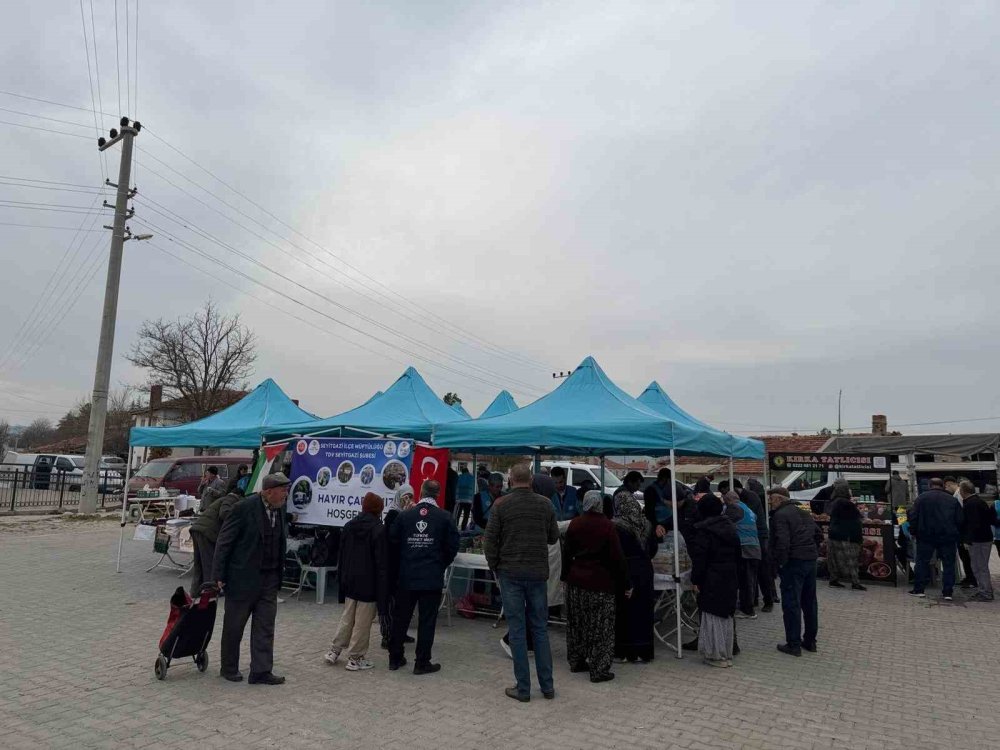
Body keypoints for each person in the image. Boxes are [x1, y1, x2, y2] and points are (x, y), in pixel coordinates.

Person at [484, 463, 560, 701]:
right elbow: (553, 537)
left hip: (510, 574)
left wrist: (495, 566)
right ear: (531, 481)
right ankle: (547, 686)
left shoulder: (501, 505)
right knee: (540, 629)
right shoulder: (545, 504)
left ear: (510, 479)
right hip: (537, 574)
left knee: (517, 630)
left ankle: (523, 688)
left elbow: (489, 541)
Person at [212, 473, 291, 684]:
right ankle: (229, 668)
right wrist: (218, 575)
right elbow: (224, 541)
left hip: (270, 578)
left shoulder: (281, 508)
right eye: (283, 489)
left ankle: (261, 671)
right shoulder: (244, 508)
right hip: (243, 578)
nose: (286, 493)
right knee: (234, 625)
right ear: (268, 491)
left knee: (265, 626)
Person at [387, 480, 459, 674]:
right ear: (438, 494)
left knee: (401, 618)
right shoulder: (444, 517)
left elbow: (392, 541)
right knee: (427, 621)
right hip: (431, 577)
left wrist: (405, 559)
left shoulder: (405, 516)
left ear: (420, 491)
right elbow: (453, 546)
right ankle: (422, 662)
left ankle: (395, 658)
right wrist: (439, 564)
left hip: (407, 576)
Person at [561, 490, 628, 684]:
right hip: (600, 583)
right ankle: (598, 670)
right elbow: (617, 558)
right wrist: (626, 583)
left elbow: (567, 553)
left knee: (577, 623)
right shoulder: (607, 526)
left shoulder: (575, 523)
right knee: (601, 627)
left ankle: (576, 661)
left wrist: (564, 577)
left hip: (576, 582)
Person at [325, 493, 388, 671]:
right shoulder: (379, 529)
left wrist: (342, 578)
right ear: (379, 509)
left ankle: (335, 650)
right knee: (362, 622)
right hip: (369, 582)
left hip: (350, 580)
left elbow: (342, 555)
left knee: (347, 617)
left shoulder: (349, 525)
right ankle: (355, 658)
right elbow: (381, 563)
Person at [687, 493, 740, 668]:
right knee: (726, 615)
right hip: (730, 575)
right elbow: (739, 554)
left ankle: (716, 655)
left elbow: (700, 559)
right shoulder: (730, 527)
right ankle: (726, 652)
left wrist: (695, 579)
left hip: (711, 577)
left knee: (711, 616)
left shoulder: (704, 531)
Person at [769, 486, 822, 657]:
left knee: (792, 602)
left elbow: (782, 542)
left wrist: (780, 563)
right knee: (810, 601)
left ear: (778, 499)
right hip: (810, 559)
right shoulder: (803, 512)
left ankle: (793, 643)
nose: (770, 503)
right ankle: (810, 640)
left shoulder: (780, 516)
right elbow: (818, 534)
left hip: (793, 561)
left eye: (771, 499)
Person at [612, 491, 656, 664]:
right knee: (643, 610)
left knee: (624, 611)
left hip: (626, 570)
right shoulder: (647, 524)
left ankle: (623, 652)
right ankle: (643, 651)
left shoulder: (616, 525)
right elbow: (653, 549)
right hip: (645, 569)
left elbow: (615, 552)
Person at [909, 478, 963, 601]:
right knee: (948, 564)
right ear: (943, 485)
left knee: (922, 562)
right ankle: (948, 592)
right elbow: (960, 519)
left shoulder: (921, 499)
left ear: (929, 485)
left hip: (925, 536)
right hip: (947, 536)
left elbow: (913, 516)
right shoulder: (952, 500)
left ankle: (919, 589)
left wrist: (913, 532)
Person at [379, 485, 415, 649]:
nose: (407, 500)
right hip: (392, 564)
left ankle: (400, 632)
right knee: (390, 602)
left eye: (410, 496)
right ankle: (387, 636)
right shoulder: (393, 514)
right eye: (405, 496)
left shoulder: (408, 515)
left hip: (404, 565)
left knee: (402, 602)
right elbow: (393, 538)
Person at [188, 489, 241, 596]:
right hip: (207, 532)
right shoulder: (231, 499)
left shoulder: (223, 499)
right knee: (209, 562)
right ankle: (211, 591)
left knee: (199, 563)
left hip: (198, 528)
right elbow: (224, 513)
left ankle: (195, 591)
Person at [722, 490, 761, 619]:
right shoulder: (747, 508)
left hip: (745, 549)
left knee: (745, 581)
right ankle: (750, 605)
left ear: (728, 501)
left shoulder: (734, 508)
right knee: (751, 579)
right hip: (754, 547)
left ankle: (747, 610)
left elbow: (724, 523)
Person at [958, 480, 996, 602]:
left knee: (979, 566)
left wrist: (967, 539)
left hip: (978, 540)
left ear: (963, 491)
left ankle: (985, 592)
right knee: (980, 565)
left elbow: (973, 523)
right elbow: (991, 518)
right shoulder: (981, 502)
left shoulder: (970, 504)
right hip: (986, 537)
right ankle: (984, 589)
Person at [826, 482, 865, 591]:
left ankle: (833, 580)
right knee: (851, 560)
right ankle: (855, 583)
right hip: (847, 535)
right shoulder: (846, 503)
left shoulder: (833, 501)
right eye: (849, 489)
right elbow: (856, 519)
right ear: (845, 490)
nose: (850, 491)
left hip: (833, 533)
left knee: (834, 560)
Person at [746, 477, 778, 611]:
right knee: (763, 570)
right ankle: (770, 597)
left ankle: (763, 599)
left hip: (758, 536)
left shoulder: (753, 498)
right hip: (762, 535)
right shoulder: (760, 496)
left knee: (760, 571)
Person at [643, 467, 693, 540]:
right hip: (658, 526)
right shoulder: (651, 490)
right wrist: (656, 525)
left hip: (669, 524)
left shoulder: (666, 489)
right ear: (665, 479)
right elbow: (649, 511)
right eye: (670, 479)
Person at [944, 476, 976, 588]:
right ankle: (970, 577)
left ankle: (971, 579)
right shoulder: (957, 494)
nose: (946, 489)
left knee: (966, 556)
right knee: (965, 557)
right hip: (963, 532)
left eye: (946, 486)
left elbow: (961, 515)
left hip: (963, 532)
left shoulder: (958, 495)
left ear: (948, 484)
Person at [454, 465, 476, 531]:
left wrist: (456, 498)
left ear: (462, 472)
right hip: (469, 500)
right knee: (466, 516)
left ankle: (455, 527)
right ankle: (463, 529)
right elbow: (474, 489)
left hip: (460, 500)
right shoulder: (472, 477)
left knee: (458, 514)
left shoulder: (459, 477)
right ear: (468, 471)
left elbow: (456, 488)